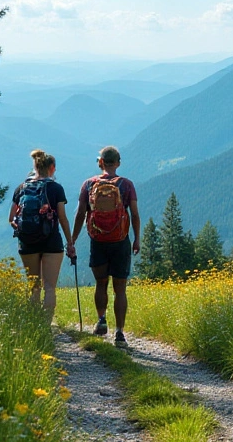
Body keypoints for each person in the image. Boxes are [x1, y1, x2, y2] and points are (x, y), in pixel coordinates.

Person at [70, 146, 141, 349]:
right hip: (120, 241)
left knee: (101, 284)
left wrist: (72, 239)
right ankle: (119, 333)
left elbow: (80, 214)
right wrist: (136, 239)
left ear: (100, 162)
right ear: (118, 162)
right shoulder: (126, 185)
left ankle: (101, 320)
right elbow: (135, 214)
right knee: (120, 289)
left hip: (98, 241)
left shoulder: (89, 185)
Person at [9, 150, 73, 322]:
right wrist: (70, 242)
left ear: (35, 166)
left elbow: (11, 219)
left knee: (34, 287)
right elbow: (62, 217)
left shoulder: (21, 188)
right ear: (52, 168)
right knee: (50, 287)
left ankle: (33, 323)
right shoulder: (56, 188)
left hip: (27, 243)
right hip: (52, 242)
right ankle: (46, 325)